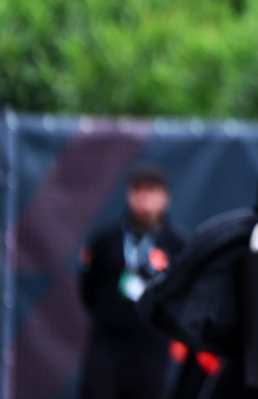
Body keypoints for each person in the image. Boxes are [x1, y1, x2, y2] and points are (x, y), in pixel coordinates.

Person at [78, 164, 185, 399]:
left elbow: (181, 293)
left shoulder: (177, 245)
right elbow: (88, 288)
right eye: (138, 189)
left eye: (151, 190)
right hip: (107, 343)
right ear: (128, 194)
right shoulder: (106, 240)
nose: (144, 196)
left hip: (151, 345)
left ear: (164, 197)